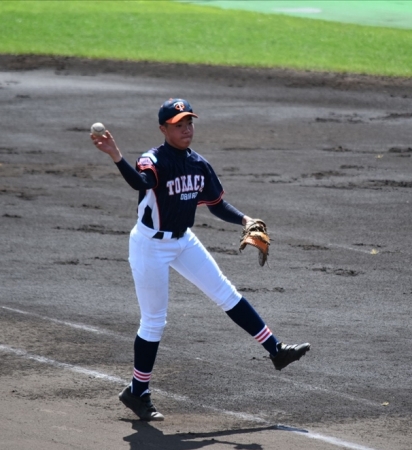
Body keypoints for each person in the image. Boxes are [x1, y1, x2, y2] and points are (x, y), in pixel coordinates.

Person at [91, 98, 310, 421]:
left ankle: (276, 350)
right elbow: (140, 182)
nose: (186, 129)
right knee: (154, 321)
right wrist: (116, 156)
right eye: (178, 125)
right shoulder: (153, 160)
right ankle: (138, 392)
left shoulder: (198, 164)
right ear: (163, 129)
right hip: (150, 245)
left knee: (226, 293)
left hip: (184, 241)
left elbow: (216, 204)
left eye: (189, 123)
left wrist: (245, 219)